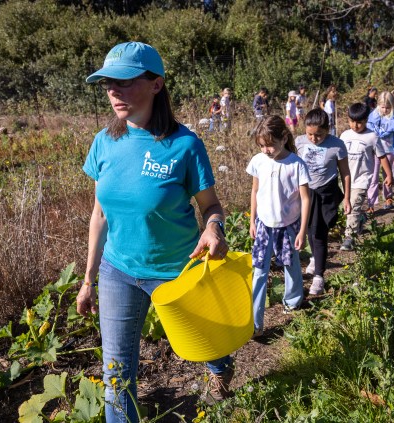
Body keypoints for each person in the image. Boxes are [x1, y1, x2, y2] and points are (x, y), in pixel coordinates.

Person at [76, 41, 233, 421]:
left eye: (125, 81)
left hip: (177, 271)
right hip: (118, 271)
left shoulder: (185, 145)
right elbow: (99, 215)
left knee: (203, 342)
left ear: (156, 85)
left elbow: (211, 206)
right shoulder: (105, 142)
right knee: (116, 377)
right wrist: (87, 280)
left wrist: (213, 228)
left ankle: (220, 367)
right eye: (108, 83)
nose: (114, 90)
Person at [247, 115, 311, 337]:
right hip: (264, 225)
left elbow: (305, 199)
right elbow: (255, 191)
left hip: (288, 226)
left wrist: (302, 230)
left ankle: (292, 302)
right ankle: (255, 323)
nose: (266, 150)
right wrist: (252, 220)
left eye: (270, 145)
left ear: (284, 138)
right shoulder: (258, 161)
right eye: (262, 146)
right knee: (259, 271)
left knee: (291, 265)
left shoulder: (296, 164)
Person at [295, 109, 350, 294]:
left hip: (325, 193)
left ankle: (319, 276)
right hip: (305, 193)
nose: (314, 138)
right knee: (310, 229)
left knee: (319, 233)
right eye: (310, 134)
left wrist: (348, 198)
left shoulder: (337, 145)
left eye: (319, 134)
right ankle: (315, 258)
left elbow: (345, 173)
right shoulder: (299, 142)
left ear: (328, 129)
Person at [340, 103, 392, 252]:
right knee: (345, 206)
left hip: (362, 179)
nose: (355, 125)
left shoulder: (372, 137)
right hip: (345, 179)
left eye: (359, 122)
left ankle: (350, 237)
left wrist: (389, 175)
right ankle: (361, 219)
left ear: (366, 121)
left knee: (354, 206)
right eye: (352, 121)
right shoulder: (344, 135)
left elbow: (382, 156)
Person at [366, 91, 394, 211]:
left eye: (388, 107)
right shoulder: (373, 116)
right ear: (378, 105)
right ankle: (371, 203)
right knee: (373, 177)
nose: (385, 110)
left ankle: (388, 196)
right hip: (375, 151)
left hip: (389, 150)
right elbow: (368, 133)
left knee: (388, 175)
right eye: (383, 107)